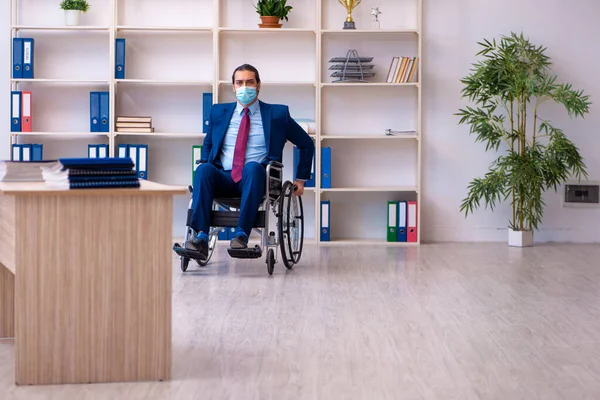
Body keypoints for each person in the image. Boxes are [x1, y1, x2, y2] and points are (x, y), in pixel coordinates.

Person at [185, 64, 315, 259]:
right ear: (233, 87)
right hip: (224, 178)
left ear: (258, 85)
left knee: (253, 167)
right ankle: (201, 238)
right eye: (240, 82)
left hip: (256, 180)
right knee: (203, 169)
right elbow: (208, 144)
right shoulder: (218, 112)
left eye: (249, 82)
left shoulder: (277, 114)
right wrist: (206, 161)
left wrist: (301, 180)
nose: (244, 87)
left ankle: (241, 235)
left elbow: (306, 144)